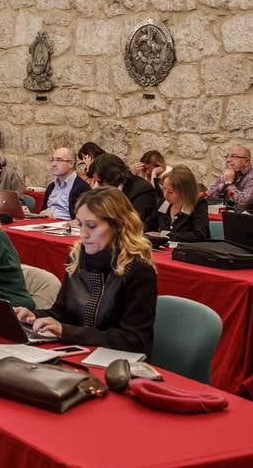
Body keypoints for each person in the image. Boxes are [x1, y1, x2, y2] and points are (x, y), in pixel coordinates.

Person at [15, 188, 157, 353]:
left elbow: (134, 340)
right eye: (80, 224)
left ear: (118, 226)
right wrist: (32, 315)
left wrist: (66, 331)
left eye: (91, 226)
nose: (83, 234)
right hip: (80, 350)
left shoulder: (138, 270)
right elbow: (61, 312)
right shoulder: (76, 258)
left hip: (116, 362)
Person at [91, 153, 160, 231]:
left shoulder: (142, 190)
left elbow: (134, 224)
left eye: (100, 183)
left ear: (113, 178)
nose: (98, 188)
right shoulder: (107, 190)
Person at [148, 165, 211, 242]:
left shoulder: (198, 205)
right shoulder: (163, 203)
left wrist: (165, 235)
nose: (165, 194)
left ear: (184, 192)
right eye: (164, 189)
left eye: (170, 192)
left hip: (189, 251)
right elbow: (149, 225)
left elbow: (199, 235)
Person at [205, 146, 253, 211]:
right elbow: (207, 198)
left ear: (246, 162)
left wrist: (229, 184)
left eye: (234, 156)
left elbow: (242, 203)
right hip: (229, 216)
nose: (228, 160)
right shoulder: (228, 174)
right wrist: (219, 188)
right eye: (227, 156)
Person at [42, 146, 89, 220]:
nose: (53, 164)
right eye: (52, 160)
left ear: (71, 164)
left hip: (65, 226)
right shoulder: (51, 186)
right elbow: (43, 209)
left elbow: (82, 218)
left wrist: (54, 218)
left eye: (58, 160)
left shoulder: (82, 188)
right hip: (45, 223)